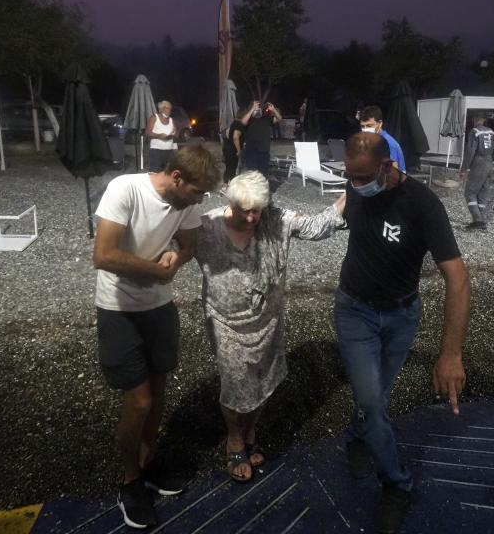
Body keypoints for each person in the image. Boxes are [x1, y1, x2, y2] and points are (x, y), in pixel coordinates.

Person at [335, 132, 471, 534]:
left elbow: (459, 279)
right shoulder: (357, 185)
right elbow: (341, 211)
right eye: (350, 177)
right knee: (373, 400)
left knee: (378, 395)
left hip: (401, 315)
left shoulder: (422, 204)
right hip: (354, 310)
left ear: (388, 166)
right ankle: (397, 484)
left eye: (363, 177)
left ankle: (360, 437)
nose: (357, 186)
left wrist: (450, 353)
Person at [92, 145, 220, 529]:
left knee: (159, 392)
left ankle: (150, 461)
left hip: (159, 308)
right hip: (120, 309)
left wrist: (176, 259)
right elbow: (103, 255)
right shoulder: (125, 189)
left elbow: (190, 245)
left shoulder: (188, 202)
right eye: (197, 191)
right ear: (177, 177)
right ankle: (130, 480)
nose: (200, 200)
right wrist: (155, 270)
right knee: (140, 401)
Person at [194, 171, 346, 482]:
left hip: (268, 319)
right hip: (226, 320)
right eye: (243, 211)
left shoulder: (275, 221)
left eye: (256, 211)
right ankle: (235, 437)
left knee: (263, 379)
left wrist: (350, 195)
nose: (251, 218)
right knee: (236, 382)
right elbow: (173, 244)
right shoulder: (206, 225)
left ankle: (251, 432)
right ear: (230, 202)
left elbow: (316, 226)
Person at [459, 116, 494, 230]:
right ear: (484, 120)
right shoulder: (491, 131)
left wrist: (464, 169)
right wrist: (490, 161)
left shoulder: (474, 132)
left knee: (469, 192)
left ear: (474, 120)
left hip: (479, 163)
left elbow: (470, 151)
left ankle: (478, 220)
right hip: (489, 162)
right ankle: (481, 220)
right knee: (482, 192)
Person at [241, 100, 282, 178]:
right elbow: (243, 122)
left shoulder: (266, 118)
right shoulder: (249, 119)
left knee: (263, 174)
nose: (258, 110)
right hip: (251, 151)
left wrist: (273, 110)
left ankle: (263, 189)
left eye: (259, 108)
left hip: (264, 151)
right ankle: (253, 189)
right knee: (252, 174)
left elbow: (279, 119)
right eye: (256, 108)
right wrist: (252, 109)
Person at [359, 106, 405, 170]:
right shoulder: (372, 140)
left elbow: (392, 173)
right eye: (362, 126)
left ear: (380, 123)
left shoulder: (388, 143)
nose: (365, 129)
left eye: (369, 126)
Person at [221, 106, 252, 188]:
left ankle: (225, 184)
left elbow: (228, 134)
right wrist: (238, 150)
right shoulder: (239, 124)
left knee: (228, 167)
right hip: (232, 149)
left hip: (227, 148)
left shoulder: (234, 122)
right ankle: (229, 185)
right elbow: (235, 137)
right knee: (232, 167)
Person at [145, 101, 179, 172]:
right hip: (156, 151)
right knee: (155, 173)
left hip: (169, 151)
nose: (169, 110)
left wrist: (174, 133)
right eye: (167, 108)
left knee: (167, 173)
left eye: (170, 109)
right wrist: (159, 136)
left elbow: (176, 135)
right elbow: (147, 132)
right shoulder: (154, 118)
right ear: (161, 109)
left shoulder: (171, 120)